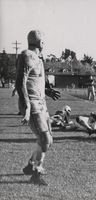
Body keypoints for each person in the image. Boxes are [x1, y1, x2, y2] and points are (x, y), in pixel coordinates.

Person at [15, 30, 59, 186]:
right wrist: (26, 105)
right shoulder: (27, 55)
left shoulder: (38, 59)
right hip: (32, 104)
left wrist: (48, 91)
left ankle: (30, 165)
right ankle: (36, 172)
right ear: (40, 43)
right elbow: (20, 83)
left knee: (48, 140)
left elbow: (33, 81)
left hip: (41, 103)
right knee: (45, 138)